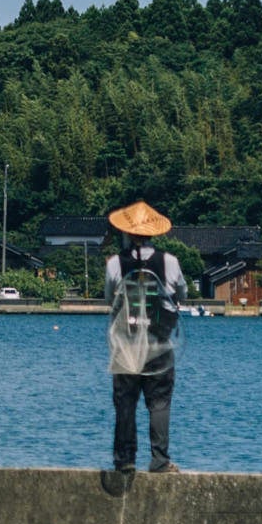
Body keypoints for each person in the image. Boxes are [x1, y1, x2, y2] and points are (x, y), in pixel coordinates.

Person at [102, 199, 182, 474]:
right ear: (152, 233)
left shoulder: (115, 264)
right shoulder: (169, 262)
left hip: (125, 345)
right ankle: (159, 460)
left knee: (125, 402)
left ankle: (124, 460)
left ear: (127, 232)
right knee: (159, 403)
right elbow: (180, 295)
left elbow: (108, 300)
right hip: (159, 345)